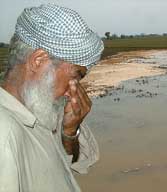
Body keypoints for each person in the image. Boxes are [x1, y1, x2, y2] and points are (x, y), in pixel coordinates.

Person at [0, 4, 104, 192]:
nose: (72, 91)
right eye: (75, 76)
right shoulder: (3, 132)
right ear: (38, 60)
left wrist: (69, 132)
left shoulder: (43, 109)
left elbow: (67, 165)